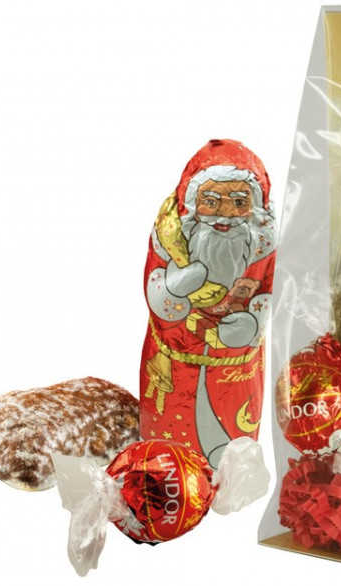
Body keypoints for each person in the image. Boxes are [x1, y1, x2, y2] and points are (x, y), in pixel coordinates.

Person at [140, 139, 276, 468]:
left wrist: (250, 326)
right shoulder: (170, 236)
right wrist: (173, 290)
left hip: (234, 372)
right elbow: (155, 288)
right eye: (211, 201)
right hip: (173, 364)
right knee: (167, 451)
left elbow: (268, 291)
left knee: (230, 449)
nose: (225, 215)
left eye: (239, 202)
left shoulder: (262, 244)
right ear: (193, 201)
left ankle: (230, 474)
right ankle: (165, 472)